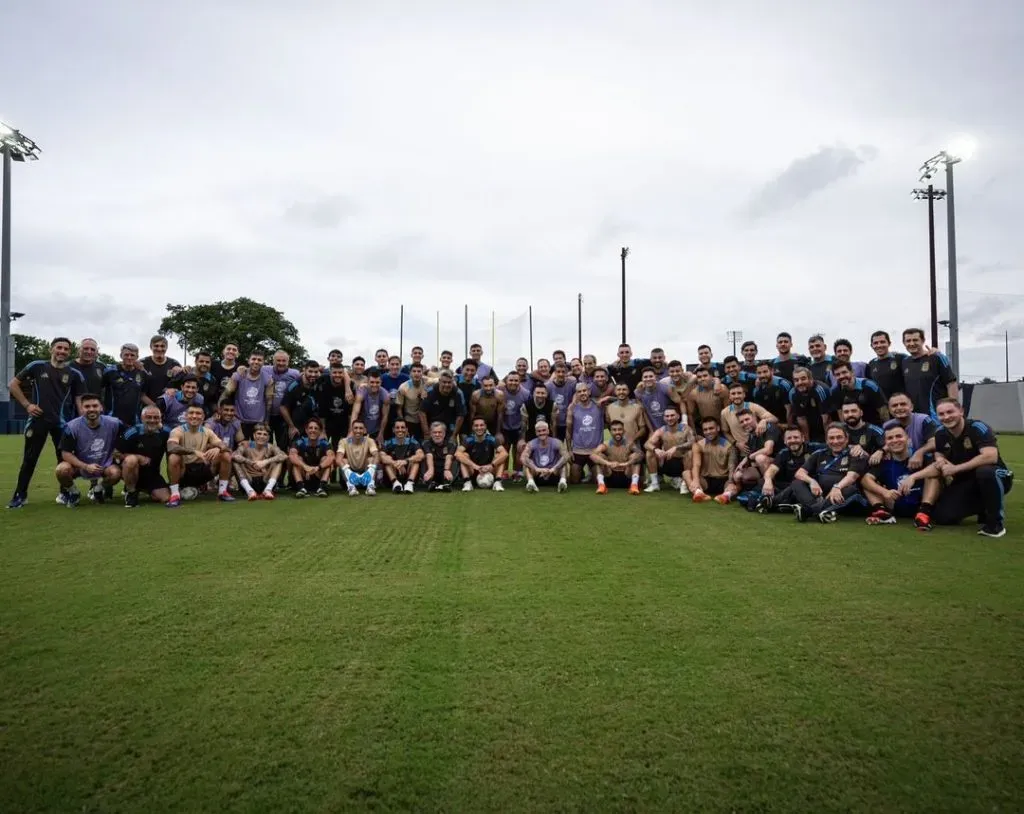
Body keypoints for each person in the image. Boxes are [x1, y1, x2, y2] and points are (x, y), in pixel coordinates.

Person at [8, 337, 85, 509]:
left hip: (62, 424)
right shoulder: (37, 366)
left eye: (66, 349)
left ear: (69, 353)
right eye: (59, 348)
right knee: (29, 459)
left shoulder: (74, 374)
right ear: (51, 349)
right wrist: (27, 405)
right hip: (37, 421)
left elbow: (79, 401)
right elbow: (13, 384)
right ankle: (20, 495)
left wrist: (82, 423)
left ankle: (65, 493)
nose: (62, 351)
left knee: (64, 461)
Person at [926, 398, 1013, 537]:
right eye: (941, 414)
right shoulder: (940, 433)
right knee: (942, 517)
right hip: (968, 481)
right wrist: (940, 459)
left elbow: (991, 456)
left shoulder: (978, 427)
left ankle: (995, 524)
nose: (946, 417)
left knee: (984, 472)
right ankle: (984, 506)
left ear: (961, 411)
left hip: (996, 476)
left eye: (950, 412)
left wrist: (955, 469)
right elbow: (939, 451)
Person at [860, 424, 939, 529]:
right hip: (895, 505)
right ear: (886, 443)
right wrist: (885, 492)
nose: (895, 440)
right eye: (890, 438)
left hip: (921, 505)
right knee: (867, 481)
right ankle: (882, 512)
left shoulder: (919, 457)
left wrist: (913, 477)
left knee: (933, 475)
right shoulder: (885, 462)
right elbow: (865, 480)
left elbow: (938, 469)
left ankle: (923, 515)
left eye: (899, 436)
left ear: (908, 439)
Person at [789, 423, 867, 523]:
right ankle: (823, 510)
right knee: (797, 483)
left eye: (839, 437)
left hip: (845, 494)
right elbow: (799, 473)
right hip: (822, 496)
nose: (835, 441)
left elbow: (852, 477)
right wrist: (812, 481)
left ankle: (809, 511)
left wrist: (837, 487)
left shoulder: (855, 453)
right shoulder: (819, 453)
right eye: (831, 438)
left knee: (851, 489)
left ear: (847, 439)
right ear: (826, 440)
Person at [55, 394, 122, 506]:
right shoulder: (71, 427)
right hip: (81, 465)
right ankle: (74, 493)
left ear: (101, 408)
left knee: (115, 473)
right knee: (61, 470)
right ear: (81, 409)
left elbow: (129, 436)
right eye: (87, 406)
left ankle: (98, 489)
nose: (91, 409)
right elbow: (65, 454)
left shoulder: (114, 423)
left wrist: (120, 450)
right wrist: (85, 466)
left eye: (95, 406)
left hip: (105, 465)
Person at [166, 404, 233, 506]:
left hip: (202, 469)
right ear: (186, 416)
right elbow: (171, 447)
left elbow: (224, 446)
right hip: (184, 472)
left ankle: (222, 492)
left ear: (203, 417)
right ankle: (175, 495)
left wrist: (218, 448)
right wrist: (193, 451)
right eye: (191, 413)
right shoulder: (177, 430)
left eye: (198, 413)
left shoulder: (207, 431)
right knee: (173, 457)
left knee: (225, 455)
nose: (194, 416)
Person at [118, 404, 172, 507]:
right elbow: (115, 453)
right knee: (131, 460)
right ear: (142, 418)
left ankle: (143, 488)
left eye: (156, 417)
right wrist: (138, 457)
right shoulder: (132, 432)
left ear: (160, 419)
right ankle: (131, 492)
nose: (152, 420)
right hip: (131, 470)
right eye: (148, 417)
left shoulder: (166, 433)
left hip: (152, 474)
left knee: (165, 498)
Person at [756, 426, 816, 514]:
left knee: (797, 485)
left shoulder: (815, 448)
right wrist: (768, 480)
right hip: (788, 486)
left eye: (796, 437)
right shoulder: (783, 453)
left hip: (807, 485)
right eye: (789, 438)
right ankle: (785, 504)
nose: (792, 440)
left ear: (803, 438)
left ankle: (771, 503)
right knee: (762, 482)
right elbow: (771, 470)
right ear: (785, 441)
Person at [901, 328, 957, 417]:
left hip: (936, 415)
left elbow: (951, 383)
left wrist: (953, 408)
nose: (911, 344)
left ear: (923, 341)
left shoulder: (936, 358)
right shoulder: (904, 362)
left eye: (915, 340)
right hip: (914, 416)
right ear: (904, 343)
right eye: (908, 341)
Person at [219, 352, 274, 437]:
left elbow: (269, 402)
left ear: (263, 362)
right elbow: (225, 394)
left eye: (259, 360)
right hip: (239, 420)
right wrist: (219, 411)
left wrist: (266, 421)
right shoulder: (238, 375)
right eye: (253, 359)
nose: (256, 362)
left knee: (256, 449)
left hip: (258, 422)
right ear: (248, 361)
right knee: (239, 447)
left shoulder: (268, 378)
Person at [686, 417, 739, 504]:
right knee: (686, 473)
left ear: (718, 428)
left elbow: (732, 466)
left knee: (738, 479)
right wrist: (695, 480)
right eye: (705, 429)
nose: (708, 432)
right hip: (706, 481)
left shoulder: (729, 446)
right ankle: (699, 493)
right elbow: (696, 465)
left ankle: (726, 495)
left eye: (711, 428)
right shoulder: (698, 445)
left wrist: (731, 482)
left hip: (723, 480)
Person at [643, 406, 694, 494]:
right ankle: (655, 484)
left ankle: (684, 484)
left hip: (681, 464)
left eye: (672, 415)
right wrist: (656, 449)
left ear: (678, 416)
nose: (669, 418)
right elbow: (647, 444)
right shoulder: (661, 430)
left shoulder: (685, 429)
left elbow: (692, 443)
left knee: (690, 453)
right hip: (666, 462)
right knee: (649, 453)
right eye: (667, 416)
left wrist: (676, 447)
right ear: (664, 418)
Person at [232, 423, 287, 500]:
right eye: (259, 433)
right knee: (235, 461)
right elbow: (234, 455)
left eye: (265, 434)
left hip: (265, 480)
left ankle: (268, 490)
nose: (261, 436)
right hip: (249, 480)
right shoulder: (247, 445)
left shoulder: (269, 446)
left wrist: (265, 461)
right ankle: (249, 491)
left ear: (268, 437)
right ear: (254, 435)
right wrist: (251, 462)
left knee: (278, 461)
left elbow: (284, 455)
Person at [102, 343, 153, 427]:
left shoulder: (142, 374)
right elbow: (99, 389)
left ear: (137, 357)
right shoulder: (110, 371)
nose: (129, 357)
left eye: (132, 355)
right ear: (121, 355)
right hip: (112, 418)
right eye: (126, 355)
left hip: (134, 419)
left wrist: (155, 407)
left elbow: (142, 395)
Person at [825, 361, 888, 426]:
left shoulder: (869, 386)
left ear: (852, 372)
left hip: (874, 426)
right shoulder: (835, 391)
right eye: (837, 374)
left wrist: (886, 430)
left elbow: (883, 411)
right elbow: (842, 416)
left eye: (844, 372)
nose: (841, 376)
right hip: (853, 429)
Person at [884, 392, 938, 466]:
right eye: (894, 405)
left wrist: (919, 452)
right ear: (889, 410)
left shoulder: (923, 420)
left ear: (911, 407)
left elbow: (934, 442)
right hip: (900, 462)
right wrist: (881, 451)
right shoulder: (887, 426)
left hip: (924, 462)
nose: (899, 408)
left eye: (903, 404)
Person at [566, 382, 605, 484]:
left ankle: (592, 473)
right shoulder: (572, 408)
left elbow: (618, 399)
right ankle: (581, 472)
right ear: (576, 394)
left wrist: (607, 398)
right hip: (579, 450)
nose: (582, 393)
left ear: (589, 392)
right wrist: (570, 450)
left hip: (595, 450)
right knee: (574, 480)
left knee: (597, 480)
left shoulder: (599, 405)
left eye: (584, 391)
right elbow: (568, 430)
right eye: (579, 392)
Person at [731, 408, 780, 489]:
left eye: (747, 419)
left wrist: (749, 457)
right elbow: (751, 455)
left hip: (779, 465)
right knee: (737, 475)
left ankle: (771, 489)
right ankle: (739, 492)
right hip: (762, 466)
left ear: (754, 417)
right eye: (741, 422)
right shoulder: (751, 436)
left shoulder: (769, 427)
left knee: (760, 458)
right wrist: (744, 462)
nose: (745, 423)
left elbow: (768, 450)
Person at [591, 419, 643, 494]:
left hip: (626, 476)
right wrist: (608, 463)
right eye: (614, 430)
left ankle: (634, 486)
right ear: (610, 431)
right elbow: (592, 455)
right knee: (599, 456)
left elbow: (641, 454)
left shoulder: (630, 444)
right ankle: (601, 485)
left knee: (636, 456)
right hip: (610, 477)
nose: (617, 432)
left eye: (620, 429)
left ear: (623, 431)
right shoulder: (606, 444)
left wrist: (626, 464)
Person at [457, 418, 508, 491]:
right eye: (476, 426)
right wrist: (475, 466)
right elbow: (457, 454)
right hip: (473, 470)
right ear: (472, 427)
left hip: (488, 469)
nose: (479, 428)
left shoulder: (491, 439)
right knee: (463, 455)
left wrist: (491, 465)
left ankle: (497, 482)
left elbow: (505, 453)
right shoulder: (468, 440)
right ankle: (467, 482)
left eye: (481, 425)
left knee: (499, 455)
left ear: (485, 426)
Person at [289, 417, 335, 498]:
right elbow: (292, 455)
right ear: (306, 430)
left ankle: (322, 488)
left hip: (318, 475)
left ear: (320, 431)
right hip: (304, 475)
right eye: (310, 428)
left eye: (316, 428)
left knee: (326, 459)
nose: (313, 430)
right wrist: (305, 466)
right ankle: (301, 489)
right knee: (297, 459)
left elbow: (331, 457)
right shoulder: (300, 442)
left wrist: (318, 468)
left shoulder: (325, 443)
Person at [279, 360, 324, 441]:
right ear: (304, 370)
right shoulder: (294, 386)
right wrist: (291, 426)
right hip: (296, 427)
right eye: (310, 371)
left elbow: (340, 371)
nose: (313, 375)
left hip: (312, 427)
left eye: (316, 372)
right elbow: (283, 407)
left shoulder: (319, 381)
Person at [522, 420, 569, 492]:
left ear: (548, 431)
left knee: (564, 463)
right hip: (538, 473)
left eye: (544, 430)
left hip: (553, 472)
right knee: (526, 464)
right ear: (536, 433)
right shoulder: (531, 444)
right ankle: (531, 483)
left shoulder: (556, 442)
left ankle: (562, 482)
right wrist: (537, 469)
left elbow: (566, 456)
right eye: (539, 431)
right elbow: (523, 458)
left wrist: (553, 469)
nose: (541, 433)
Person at [788, 366, 831, 443]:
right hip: (810, 428)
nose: (800, 382)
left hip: (825, 426)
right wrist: (807, 442)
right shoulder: (793, 393)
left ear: (811, 379)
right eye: (796, 380)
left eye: (803, 379)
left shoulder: (820, 390)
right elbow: (801, 419)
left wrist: (828, 441)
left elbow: (826, 419)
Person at [268, 351, 301, 450]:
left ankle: (282, 465)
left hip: (284, 416)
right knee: (265, 444)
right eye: (278, 360)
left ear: (288, 361)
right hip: (267, 415)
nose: (281, 363)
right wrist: (241, 368)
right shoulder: (265, 370)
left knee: (282, 445)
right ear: (273, 361)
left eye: (284, 361)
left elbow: (305, 379)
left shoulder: (294, 373)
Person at [380, 419, 423, 493]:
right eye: (397, 427)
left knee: (415, 460)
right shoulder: (387, 442)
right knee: (387, 460)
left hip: (408, 473)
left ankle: (409, 484)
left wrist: (405, 461)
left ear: (406, 429)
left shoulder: (412, 441)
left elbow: (421, 455)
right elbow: (381, 457)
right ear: (393, 430)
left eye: (402, 427)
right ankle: (396, 484)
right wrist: (395, 463)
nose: (400, 430)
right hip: (393, 475)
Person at [420, 370, 466, 440]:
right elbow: (422, 412)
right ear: (439, 381)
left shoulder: (458, 393)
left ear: (453, 382)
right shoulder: (430, 392)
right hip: (433, 424)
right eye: (444, 382)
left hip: (450, 425)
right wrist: (426, 433)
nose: (447, 385)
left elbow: (461, 416)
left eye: (449, 382)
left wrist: (454, 435)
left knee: (451, 446)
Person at [635, 367, 681, 433]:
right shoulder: (639, 392)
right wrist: (651, 431)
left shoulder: (665, 388)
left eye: (651, 376)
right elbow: (644, 413)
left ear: (655, 377)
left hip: (672, 428)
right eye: (645, 377)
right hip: (655, 430)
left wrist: (683, 421)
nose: (648, 379)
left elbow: (680, 403)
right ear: (642, 379)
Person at [141, 335, 183, 403]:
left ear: (166, 347)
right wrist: (154, 406)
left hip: (169, 407)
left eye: (162, 346)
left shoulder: (175, 364)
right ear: (151, 347)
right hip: (147, 409)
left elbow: (182, 387)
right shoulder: (143, 363)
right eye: (156, 346)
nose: (159, 349)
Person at [866, 330, 908, 398]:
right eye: (875, 343)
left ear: (889, 343)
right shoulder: (871, 364)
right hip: (883, 406)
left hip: (900, 404)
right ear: (871, 346)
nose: (879, 345)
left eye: (882, 342)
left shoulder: (901, 358)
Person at [605, 382, 646, 446]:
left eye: (624, 389)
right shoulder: (609, 408)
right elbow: (607, 427)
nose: (621, 392)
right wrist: (609, 443)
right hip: (615, 446)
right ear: (615, 392)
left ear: (628, 391)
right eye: (618, 390)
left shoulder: (637, 407)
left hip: (633, 445)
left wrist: (632, 439)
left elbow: (643, 429)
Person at [396, 363, 429, 441]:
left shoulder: (427, 382)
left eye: (419, 371)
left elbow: (441, 379)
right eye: (414, 371)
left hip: (425, 420)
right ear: (410, 373)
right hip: (409, 421)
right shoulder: (403, 388)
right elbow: (399, 409)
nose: (416, 373)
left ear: (422, 373)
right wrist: (403, 425)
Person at [545, 362, 577, 440]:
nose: (561, 374)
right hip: (554, 423)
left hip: (569, 421)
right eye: (558, 372)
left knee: (572, 446)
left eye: (563, 372)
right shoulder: (548, 386)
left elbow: (576, 395)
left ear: (566, 373)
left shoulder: (572, 384)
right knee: (556, 446)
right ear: (555, 373)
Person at [421, 421, 457, 491]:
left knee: (455, 460)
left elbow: (448, 457)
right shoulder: (426, 443)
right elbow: (429, 456)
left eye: (440, 432)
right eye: (434, 432)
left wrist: (446, 470)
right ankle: (432, 483)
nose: (437, 435)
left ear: (444, 434)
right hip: (432, 471)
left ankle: (446, 483)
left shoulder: (451, 444)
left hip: (445, 471)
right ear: (431, 434)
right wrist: (431, 469)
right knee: (422, 459)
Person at [469, 374, 506, 440]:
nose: (488, 388)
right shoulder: (476, 395)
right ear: (482, 385)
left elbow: (500, 414)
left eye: (491, 385)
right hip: (480, 420)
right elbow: (472, 413)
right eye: (485, 386)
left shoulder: (499, 395)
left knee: (500, 440)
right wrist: (472, 430)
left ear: (494, 385)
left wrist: (498, 432)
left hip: (493, 421)